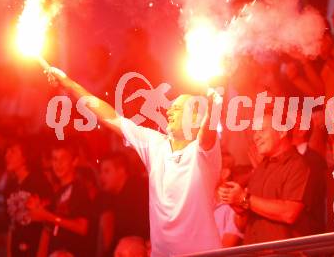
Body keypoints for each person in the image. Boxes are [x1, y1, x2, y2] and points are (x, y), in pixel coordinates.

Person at [46, 66, 222, 256]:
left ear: (196, 118)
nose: (169, 112)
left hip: (204, 254)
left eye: (177, 109)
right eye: (170, 108)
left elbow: (207, 135)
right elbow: (111, 117)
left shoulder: (203, 152)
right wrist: (69, 84)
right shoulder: (154, 143)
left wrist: (213, 107)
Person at [218, 112, 311, 243]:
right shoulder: (260, 168)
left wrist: (244, 199)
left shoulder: (298, 165)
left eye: (262, 130)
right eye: (255, 132)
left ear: (282, 132)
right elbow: (242, 223)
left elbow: (289, 213)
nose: (256, 137)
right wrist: (236, 203)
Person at [27, 141, 92, 257]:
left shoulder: (79, 190)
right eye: (55, 159)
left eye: (63, 159)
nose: (58, 164)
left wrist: (46, 215)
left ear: (74, 161)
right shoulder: (57, 192)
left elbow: (82, 227)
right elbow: (48, 230)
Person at [5, 139, 53, 257]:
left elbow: (46, 222)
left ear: (25, 157)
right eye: (7, 151)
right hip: (16, 246)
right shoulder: (11, 185)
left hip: (34, 247)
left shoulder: (38, 182)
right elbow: (12, 224)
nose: (7, 155)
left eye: (12, 152)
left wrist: (41, 253)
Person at [98, 152, 149, 256]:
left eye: (106, 171)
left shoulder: (137, 190)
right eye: (101, 172)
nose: (101, 176)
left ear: (121, 171)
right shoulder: (115, 197)